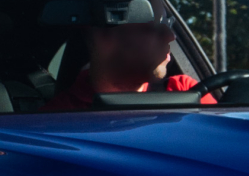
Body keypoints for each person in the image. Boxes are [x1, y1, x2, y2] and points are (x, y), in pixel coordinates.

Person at [44, 17, 213, 110]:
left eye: (167, 23)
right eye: (154, 26)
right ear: (104, 38)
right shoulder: (53, 119)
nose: (170, 36)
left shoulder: (184, 91)